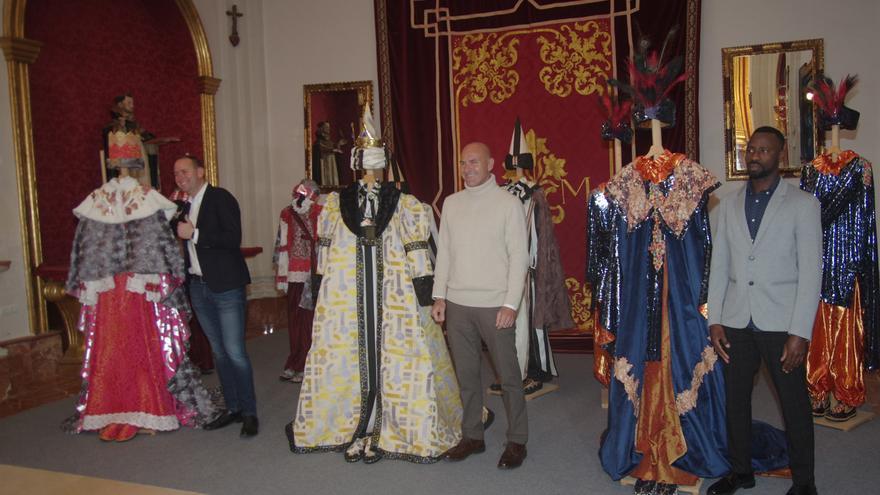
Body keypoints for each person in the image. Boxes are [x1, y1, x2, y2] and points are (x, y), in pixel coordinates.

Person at [590, 42, 728, 495]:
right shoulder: (627, 177)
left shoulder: (688, 174)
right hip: (638, 300)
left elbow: (701, 242)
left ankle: (678, 455)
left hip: (678, 297)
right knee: (645, 365)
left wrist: (705, 299)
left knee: (674, 363)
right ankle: (646, 451)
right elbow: (615, 248)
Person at [287, 108, 461, 463]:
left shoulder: (406, 204)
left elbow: (416, 252)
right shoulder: (335, 205)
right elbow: (323, 253)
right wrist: (321, 294)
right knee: (348, 358)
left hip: (394, 298)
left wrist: (425, 300)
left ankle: (392, 428)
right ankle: (356, 426)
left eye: (373, 161)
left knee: (399, 359)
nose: (369, 168)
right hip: (346, 299)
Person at [63, 150, 216, 442]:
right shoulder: (146, 199)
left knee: (120, 347)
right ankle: (142, 407)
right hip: (134, 289)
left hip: (116, 291)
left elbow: (88, 253)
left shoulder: (100, 202)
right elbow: (163, 249)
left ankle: (120, 408)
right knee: (135, 346)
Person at [707, 126, 822, 495]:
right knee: (735, 402)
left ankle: (804, 483)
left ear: (780, 157)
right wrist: (715, 320)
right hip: (737, 321)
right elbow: (720, 266)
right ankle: (740, 472)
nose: (754, 155)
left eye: (764, 150)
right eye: (750, 149)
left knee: (794, 406)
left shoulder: (803, 205)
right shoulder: (726, 204)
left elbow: (810, 273)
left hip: (782, 324)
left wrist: (800, 332)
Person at [432, 141, 530, 469]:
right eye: (462, 163)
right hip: (458, 306)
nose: (467, 169)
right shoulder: (452, 203)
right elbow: (444, 252)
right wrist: (439, 296)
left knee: (509, 377)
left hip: (495, 307)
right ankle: (472, 435)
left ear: (490, 165)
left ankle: (517, 440)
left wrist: (510, 304)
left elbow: (520, 258)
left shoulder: (508, 204)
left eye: (474, 162)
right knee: (467, 375)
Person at [800, 74, 878, 422]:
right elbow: (804, 217)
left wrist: (859, 260)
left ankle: (846, 389)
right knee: (815, 326)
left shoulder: (861, 168)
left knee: (846, 328)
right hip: (816, 257)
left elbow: (866, 218)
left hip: (848, 258)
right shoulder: (811, 170)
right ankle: (817, 387)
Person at [173, 155, 258, 438]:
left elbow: (232, 238)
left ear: (200, 171)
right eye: (176, 173)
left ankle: (249, 412)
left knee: (235, 352)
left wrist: (194, 233)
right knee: (219, 352)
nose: (180, 176)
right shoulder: (182, 206)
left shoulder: (220, 197)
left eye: (184, 171)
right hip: (198, 286)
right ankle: (232, 407)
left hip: (226, 286)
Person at [273, 179, 322, 383]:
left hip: (314, 274)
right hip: (294, 274)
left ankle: (307, 365)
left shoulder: (321, 212)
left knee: (309, 323)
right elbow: (281, 246)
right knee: (295, 321)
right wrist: (283, 277)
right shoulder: (287, 213)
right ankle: (295, 362)